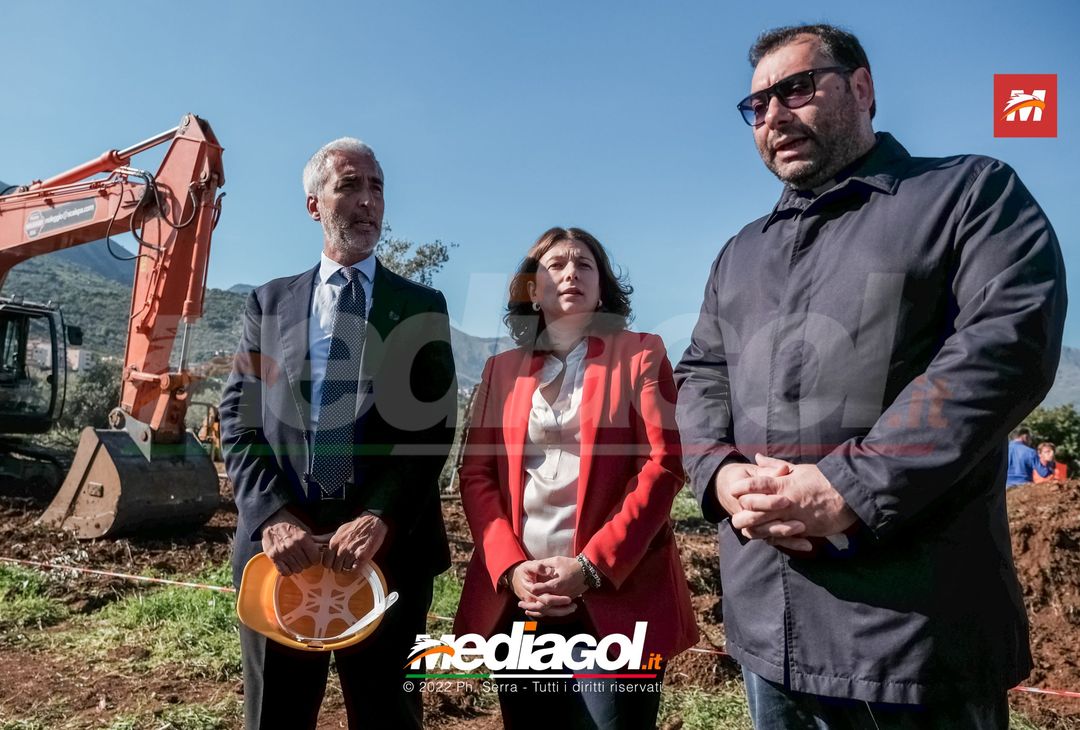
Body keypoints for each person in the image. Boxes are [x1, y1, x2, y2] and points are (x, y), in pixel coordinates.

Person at [674, 23, 1066, 729]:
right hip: (766, 621)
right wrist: (719, 474)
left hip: (912, 631)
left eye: (796, 89)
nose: (773, 116)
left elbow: (1005, 345)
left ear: (861, 87)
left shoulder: (968, 195)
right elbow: (701, 374)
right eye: (756, 105)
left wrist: (850, 486)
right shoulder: (740, 254)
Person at [220, 137, 457, 730]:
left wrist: (379, 515)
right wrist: (272, 516)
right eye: (350, 186)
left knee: (388, 719)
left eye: (377, 187)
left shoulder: (422, 305)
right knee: (275, 717)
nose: (368, 201)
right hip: (282, 559)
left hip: (388, 555)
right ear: (313, 205)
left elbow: (432, 430)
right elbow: (240, 419)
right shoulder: (268, 302)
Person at [455, 226, 699, 729]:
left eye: (584, 264)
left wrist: (590, 568)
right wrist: (510, 568)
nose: (571, 273)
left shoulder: (641, 353)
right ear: (532, 289)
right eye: (556, 265)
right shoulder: (501, 370)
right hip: (523, 596)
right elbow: (477, 474)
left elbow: (662, 463)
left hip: (616, 593)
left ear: (602, 287)